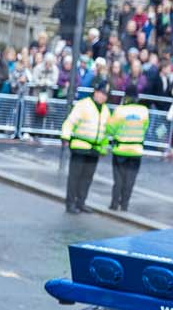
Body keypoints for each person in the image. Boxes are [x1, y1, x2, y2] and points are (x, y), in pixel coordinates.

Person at [60, 80, 110, 214]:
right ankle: (70, 203)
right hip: (80, 146)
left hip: (95, 149)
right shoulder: (84, 105)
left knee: (87, 178)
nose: (103, 96)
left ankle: (81, 202)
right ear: (96, 92)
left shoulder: (105, 110)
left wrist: (104, 148)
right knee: (75, 177)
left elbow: (105, 131)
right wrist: (65, 137)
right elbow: (70, 122)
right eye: (102, 93)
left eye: (106, 94)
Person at [105, 84, 149, 212]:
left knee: (118, 179)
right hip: (136, 150)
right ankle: (124, 205)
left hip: (120, 150)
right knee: (130, 180)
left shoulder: (120, 110)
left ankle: (114, 204)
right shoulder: (144, 111)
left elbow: (110, 128)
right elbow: (145, 127)